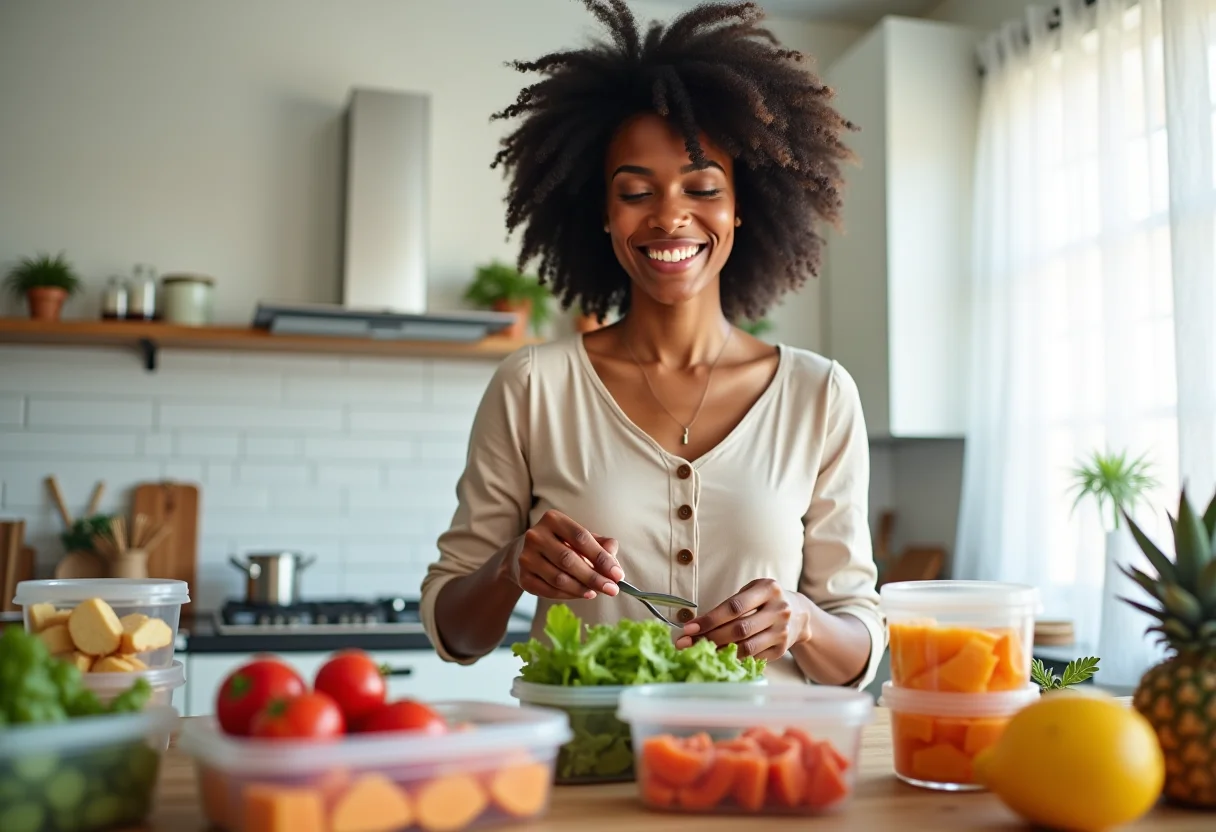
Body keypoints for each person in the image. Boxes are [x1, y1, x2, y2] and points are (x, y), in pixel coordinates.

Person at [420, 0, 884, 687]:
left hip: (767, 774)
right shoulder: (532, 387)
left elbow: (857, 641)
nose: (670, 215)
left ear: (739, 207)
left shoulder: (819, 395)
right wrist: (509, 566)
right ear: (603, 215)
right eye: (636, 192)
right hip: (589, 773)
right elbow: (456, 633)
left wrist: (806, 621)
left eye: (701, 188)